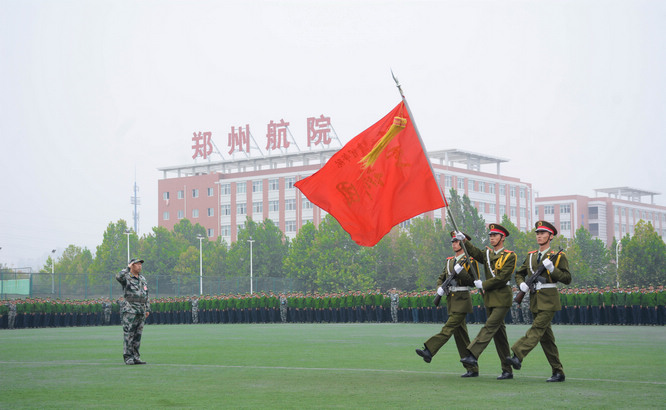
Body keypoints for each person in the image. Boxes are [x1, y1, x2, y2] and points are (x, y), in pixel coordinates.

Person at [506, 221, 572, 382]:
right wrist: (521, 283)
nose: (539, 236)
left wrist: (552, 269)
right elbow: (519, 273)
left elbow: (567, 278)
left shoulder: (559, 256)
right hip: (535, 299)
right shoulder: (531, 256)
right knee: (546, 339)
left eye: (543, 233)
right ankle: (558, 372)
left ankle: (518, 355)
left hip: (549, 300)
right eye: (537, 233)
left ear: (550, 236)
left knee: (536, 329)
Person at [415, 232, 480, 378]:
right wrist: (440, 287)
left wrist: (461, 271)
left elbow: (473, 281)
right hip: (451, 300)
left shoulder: (469, 260)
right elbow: (442, 277)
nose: (454, 244)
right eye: (453, 242)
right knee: (461, 336)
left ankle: (429, 350)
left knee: (447, 329)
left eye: (456, 242)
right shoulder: (450, 260)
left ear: (463, 243)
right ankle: (472, 368)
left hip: (462, 300)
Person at [458, 224, 517, 380]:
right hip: (490, 298)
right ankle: (507, 370)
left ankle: (472, 354)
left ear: (502, 238)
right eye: (490, 236)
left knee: (490, 326)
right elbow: (475, 253)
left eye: (495, 236)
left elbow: (502, 277)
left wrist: (483, 284)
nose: (492, 238)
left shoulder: (510, 256)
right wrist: (464, 241)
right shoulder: (487, 254)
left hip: (503, 297)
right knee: (500, 336)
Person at [115, 258, 150, 365]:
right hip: (130, 310)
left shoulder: (142, 279)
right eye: (137, 264)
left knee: (137, 335)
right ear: (132, 265)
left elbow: (146, 294)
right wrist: (127, 268)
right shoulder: (126, 277)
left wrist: (147, 308)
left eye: (140, 264)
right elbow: (118, 276)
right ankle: (128, 357)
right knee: (129, 334)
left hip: (141, 310)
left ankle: (136, 357)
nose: (140, 266)